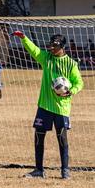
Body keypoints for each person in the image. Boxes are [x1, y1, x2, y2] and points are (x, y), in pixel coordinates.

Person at [12, 30, 84, 179]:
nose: (51, 48)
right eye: (50, 45)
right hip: (44, 106)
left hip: (61, 108)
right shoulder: (46, 59)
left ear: (62, 47)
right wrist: (23, 38)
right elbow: (34, 50)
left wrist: (71, 91)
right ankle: (39, 170)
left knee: (62, 138)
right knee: (39, 136)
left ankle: (65, 170)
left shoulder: (71, 64)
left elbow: (79, 82)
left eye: (54, 46)